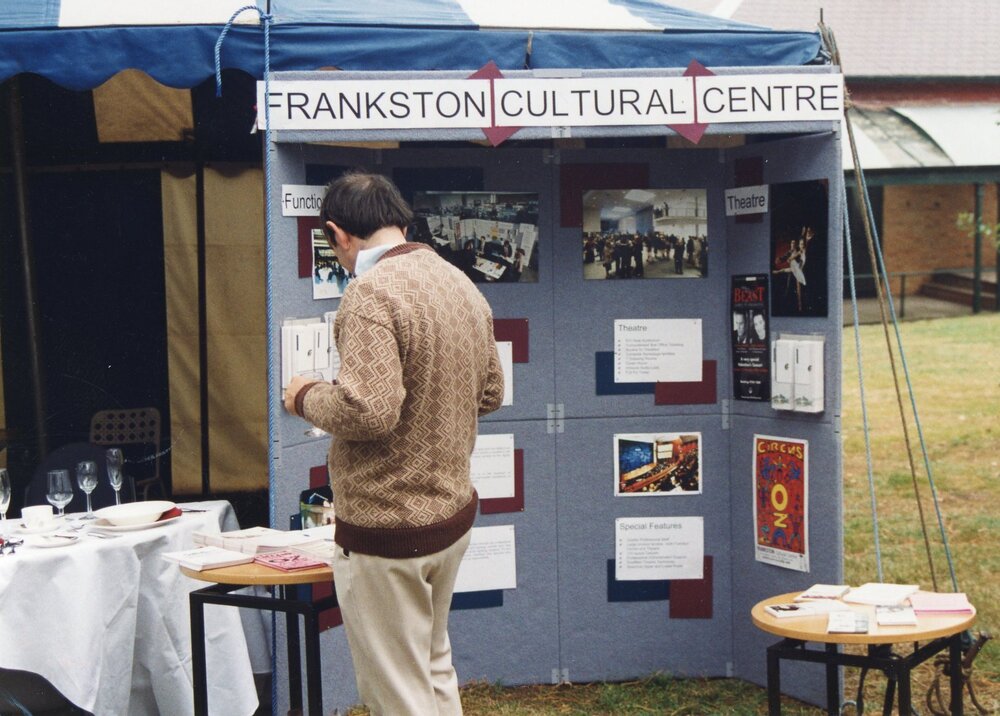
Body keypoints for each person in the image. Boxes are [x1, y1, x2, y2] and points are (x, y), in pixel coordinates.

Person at [283, 172, 506, 716]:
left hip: (388, 528)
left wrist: (305, 394)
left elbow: (370, 410)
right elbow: (493, 391)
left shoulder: (369, 293)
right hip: (449, 515)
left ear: (337, 233)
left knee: (397, 699)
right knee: (432, 673)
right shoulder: (459, 282)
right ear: (401, 220)